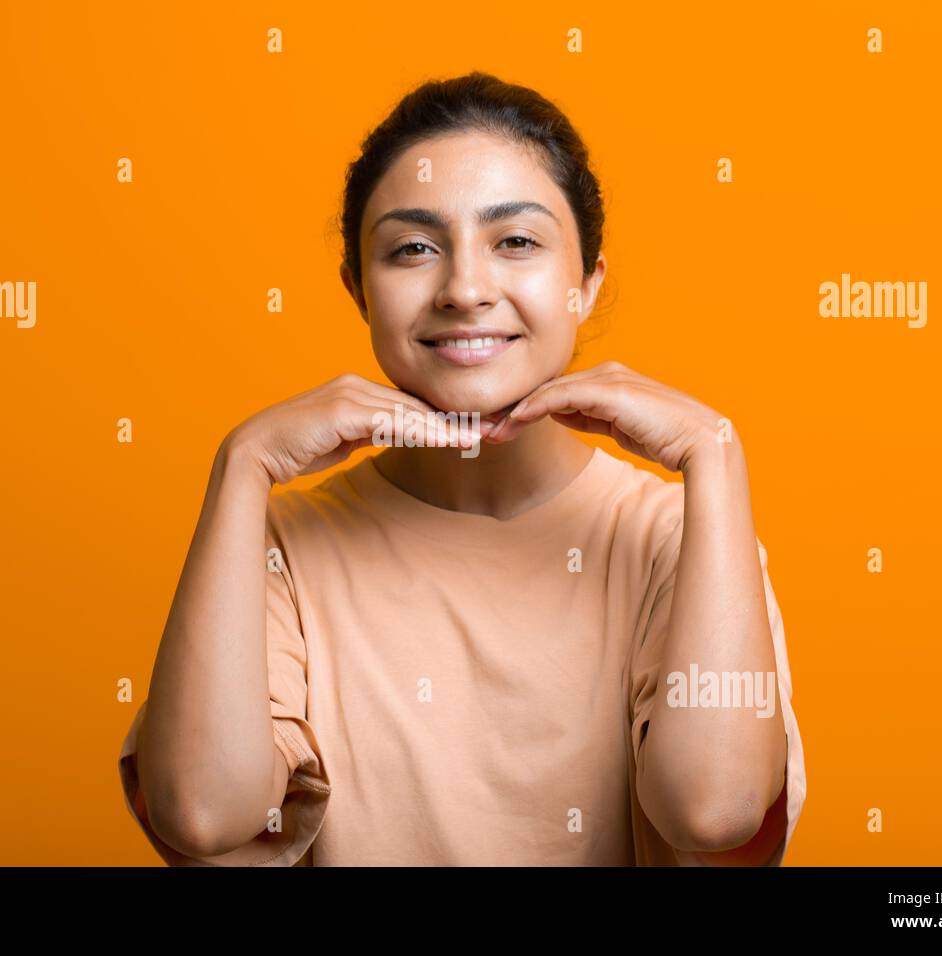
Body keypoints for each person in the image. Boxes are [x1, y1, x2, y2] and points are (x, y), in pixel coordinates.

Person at [118, 70, 806, 866]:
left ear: (586, 284)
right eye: (414, 249)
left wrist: (715, 456)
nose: (465, 290)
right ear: (359, 292)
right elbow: (202, 815)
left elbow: (713, 812)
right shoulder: (278, 548)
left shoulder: (679, 537)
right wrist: (240, 467)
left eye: (515, 242)